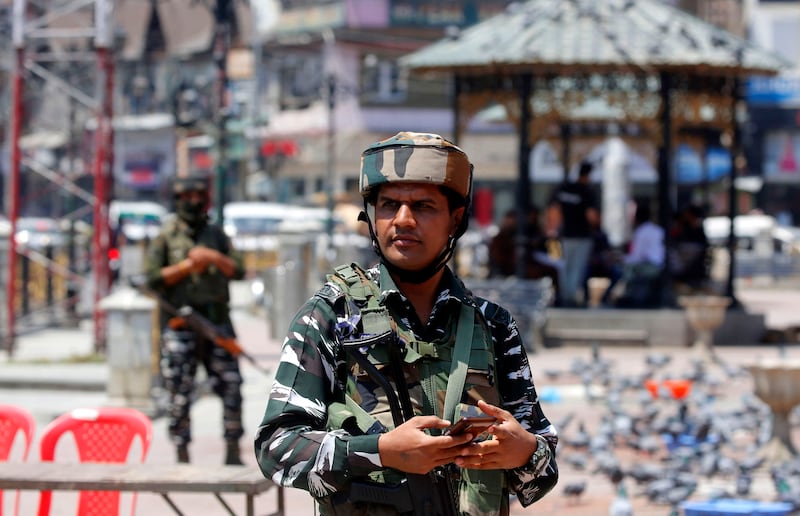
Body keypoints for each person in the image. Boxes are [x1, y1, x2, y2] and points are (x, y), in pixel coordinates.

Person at [254, 132, 558, 515]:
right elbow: (276, 448)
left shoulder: (493, 326)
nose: (403, 220)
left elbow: (542, 472)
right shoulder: (332, 316)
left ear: (456, 219)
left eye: (423, 206)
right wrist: (379, 453)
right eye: (389, 205)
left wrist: (524, 451)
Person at [144, 175, 246, 465]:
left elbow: (238, 269)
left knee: (231, 385)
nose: (193, 201)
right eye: (187, 197)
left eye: (198, 195)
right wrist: (188, 266)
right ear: (177, 200)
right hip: (181, 324)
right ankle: (181, 452)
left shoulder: (216, 234)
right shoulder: (166, 235)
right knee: (178, 390)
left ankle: (232, 449)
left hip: (216, 324)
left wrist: (212, 257)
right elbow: (152, 279)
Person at [547, 160, 600, 307]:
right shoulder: (587, 191)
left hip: (564, 235)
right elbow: (592, 216)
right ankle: (572, 297)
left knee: (564, 266)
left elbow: (553, 212)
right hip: (582, 235)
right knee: (577, 267)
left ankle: (565, 296)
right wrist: (596, 227)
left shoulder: (564, 189)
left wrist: (553, 231)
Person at [603, 200, 665, 307]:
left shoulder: (641, 232)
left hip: (650, 267)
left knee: (621, 270)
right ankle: (623, 295)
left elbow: (636, 257)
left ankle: (621, 297)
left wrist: (620, 259)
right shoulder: (658, 230)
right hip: (660, 265)